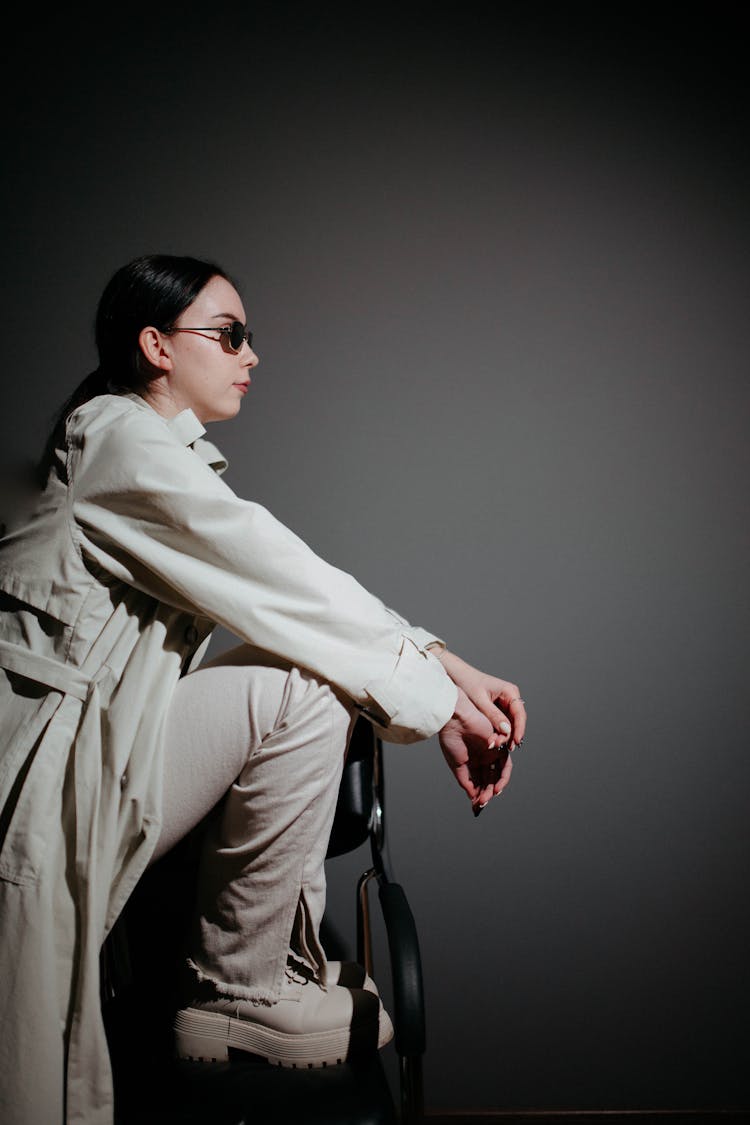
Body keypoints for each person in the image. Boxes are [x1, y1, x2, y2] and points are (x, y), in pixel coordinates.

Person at [0, 254, 526, 1125]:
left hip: (105, 754)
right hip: (53, 775)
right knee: (304, 680)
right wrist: (447, 691)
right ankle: (239, 987)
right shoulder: (113, 436)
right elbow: (282, 575)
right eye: (229, 333)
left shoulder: (158, 455)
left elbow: (288, 585)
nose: (251, 355)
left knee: (308, 668)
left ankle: (251, 977)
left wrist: (447, 669)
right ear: (155, 345)